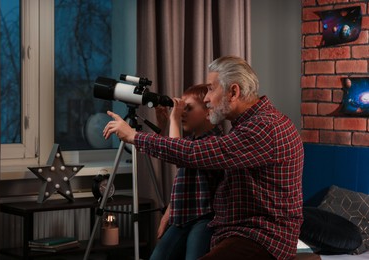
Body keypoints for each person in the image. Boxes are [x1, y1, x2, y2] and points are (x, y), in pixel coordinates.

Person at [103, 55, 304, 260]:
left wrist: (134, 137)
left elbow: (193, 153)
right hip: (237, 230)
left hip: (262, 236)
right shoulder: (248, 125)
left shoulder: (263, 128)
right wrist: (173, 207)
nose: (207, 98)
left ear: (233, 92)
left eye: (211, 88)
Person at [150, 84, 224, 260]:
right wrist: (162, 124)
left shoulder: (215, 141)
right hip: (182, 215)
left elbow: (177, 153)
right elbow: (169, 150)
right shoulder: (191, 140)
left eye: (188, 108)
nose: (182, 112)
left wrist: (174, 119)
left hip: (205, 217)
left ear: (208, 112)